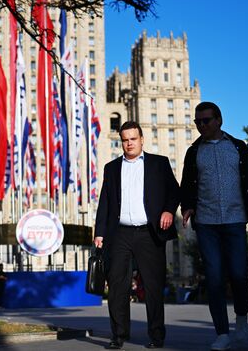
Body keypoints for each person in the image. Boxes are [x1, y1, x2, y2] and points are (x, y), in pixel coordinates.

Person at [181, 101, 248, 351]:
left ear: (219, 120)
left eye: (206, 121)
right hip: (206, 224)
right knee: (215, 279)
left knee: (239, 275)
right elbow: (186, 184)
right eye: (197, 122)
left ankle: (241, 316)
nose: (201, 126)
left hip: (236, 220)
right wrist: (187, 206)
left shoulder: (238, 147)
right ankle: (222, 333)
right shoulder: (194, 152)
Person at [94, 121, 179, 350]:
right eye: (125, 139)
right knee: (117, 287)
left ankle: (156, 336)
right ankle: (119, 335)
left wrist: (169, 210)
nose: (129, 143)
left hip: (149, 233)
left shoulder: (159, 164)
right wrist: (99, 232)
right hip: (119, 233)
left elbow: (174, 191)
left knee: (152, 287)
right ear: (120, 141)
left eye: (133, 138)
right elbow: (105, 202)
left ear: (142, 139)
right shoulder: (111, 168)